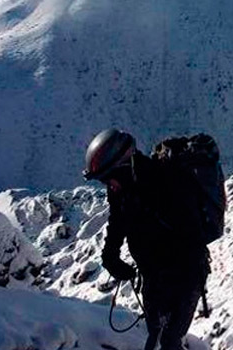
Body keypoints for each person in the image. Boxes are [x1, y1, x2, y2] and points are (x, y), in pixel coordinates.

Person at [84, 129, 211, 350]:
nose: (107, 185)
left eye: (107, 178)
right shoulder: (122, 188)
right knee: (156, 333)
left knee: (169, 340)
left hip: (185, 274)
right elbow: (118, 220)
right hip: (153, 274)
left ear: (122, 166)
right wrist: (110, 255)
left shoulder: (164, 180)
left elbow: (189, 232)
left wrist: (169, 271)